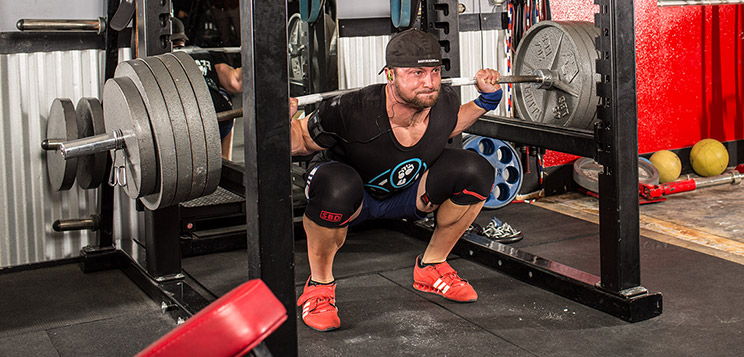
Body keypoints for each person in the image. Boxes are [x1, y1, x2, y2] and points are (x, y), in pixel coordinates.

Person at [289, 28, 503, 332]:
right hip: (351, 199)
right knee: (338, 185)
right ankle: (319, 285)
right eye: (416, 73)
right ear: (390, 74)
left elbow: (449, 126)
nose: (428, 82)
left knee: (476, 171)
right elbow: (299, 140)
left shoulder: (443, 101)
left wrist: (486, 101)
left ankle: (431, 267)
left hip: (405, 195)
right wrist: (277, 120)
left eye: (434, 71)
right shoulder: (352, 109)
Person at [171, 17, 242, 160]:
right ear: (184, 39)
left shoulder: (158, 61)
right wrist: (256, 53)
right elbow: (235, 82)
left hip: (187, 121)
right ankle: (225, 163)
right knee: (225, 104)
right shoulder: (205, 53)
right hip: (219, 116)